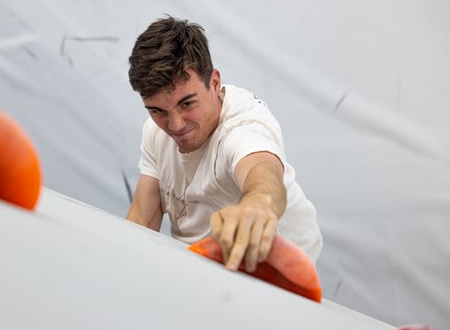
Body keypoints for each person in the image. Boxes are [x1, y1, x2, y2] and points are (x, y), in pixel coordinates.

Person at [126, 15, 322, 273]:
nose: (175, 125)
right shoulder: (155, 131)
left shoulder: (242, 128)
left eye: (187, 103)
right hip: (202, 262)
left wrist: (259, 202)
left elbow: (263, 174)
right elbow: (141, 219)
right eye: (157, 111)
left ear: (214, 83)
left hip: (279, 269)